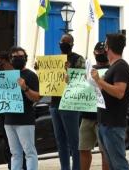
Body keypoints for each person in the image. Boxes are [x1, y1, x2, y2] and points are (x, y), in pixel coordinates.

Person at [91, 34, 129, 170]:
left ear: (108, 48)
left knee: (119, 164)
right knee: (112, 164)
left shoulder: (121, 67)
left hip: (113, 125)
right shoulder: (113, 67)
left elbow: (119, 92)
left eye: (105, 44)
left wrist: (99, 80)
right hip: (105, 123)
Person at [50, 34, 85, 170]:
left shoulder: (78, 59)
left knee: (74, 142)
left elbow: (81, 81)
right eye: (61, 41)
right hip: (55, 104)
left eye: (66, 41)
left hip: (70, 104)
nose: (63, 43)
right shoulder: (55, 60)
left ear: (72, 44)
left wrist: (69, 70)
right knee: (60, 142)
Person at [4, 46, 41, 170]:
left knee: (29, 152)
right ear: (10, 60)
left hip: (25, 120)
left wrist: (25, 88)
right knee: (15, 153)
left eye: (21, 56)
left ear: (25, 58)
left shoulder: (31, 75)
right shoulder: (6, 76)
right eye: (15, 57)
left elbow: (37, 97)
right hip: (9, 120)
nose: (18, 59)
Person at [79, 42, 110, 170]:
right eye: (99, 52)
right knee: (83, 148)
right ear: (94, 53)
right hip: (87, 115)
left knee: (105, 151)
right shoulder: (88, 70)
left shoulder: (112, 70)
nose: (101, 55)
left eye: (103, 52)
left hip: (103, 117)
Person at [0, 51, 26, 170]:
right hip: (5, 117)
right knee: (10, 147)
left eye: (1, 64)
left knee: (22, 148)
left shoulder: (18, 75)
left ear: (9, 62)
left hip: (20, 118)